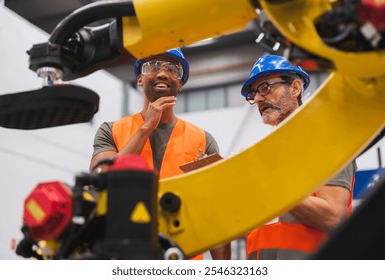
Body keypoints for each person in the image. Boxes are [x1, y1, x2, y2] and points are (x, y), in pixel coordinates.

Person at [89, 48, 230, 260]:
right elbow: (99, 179)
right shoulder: (111, 130)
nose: (163, 73)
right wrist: (146, 128)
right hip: (123, 255)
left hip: (182, 258)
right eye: (153, 67)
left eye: (172, 69)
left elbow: (214, 213)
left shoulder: (203, 140)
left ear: (180, 83)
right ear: (140, 79)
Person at [241, 54, 356, 260]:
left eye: (265, 87)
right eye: (254, 93)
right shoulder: (265, 153)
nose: (258, 98)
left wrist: (268, 183)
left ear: (295, 88)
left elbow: (333, 216)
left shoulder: (327, 140)